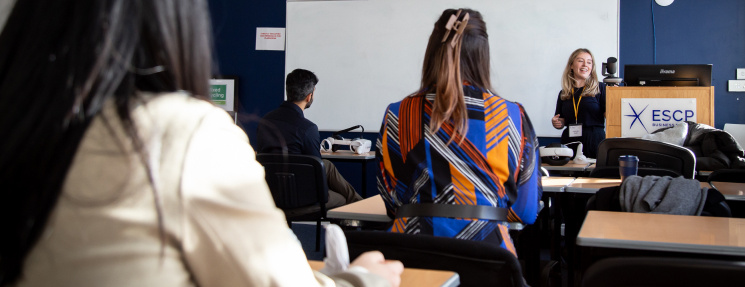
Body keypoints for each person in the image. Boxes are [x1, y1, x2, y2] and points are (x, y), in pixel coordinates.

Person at [0, 0, 402, 286]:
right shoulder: (182, 133)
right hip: (308, 206)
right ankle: (360, 213)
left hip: (280, 197)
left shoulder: (22, 133)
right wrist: (361, 279)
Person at [375, 8, 542, 256]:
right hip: (488, 259)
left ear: (432, 51)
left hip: (411, 256)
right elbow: (525, 212)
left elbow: (391, 203)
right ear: (483, 55)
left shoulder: (397, 115)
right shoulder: (512, 116)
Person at [256, 69, 363, 208]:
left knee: (327, 166)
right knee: (342, 198)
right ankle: (363, 210)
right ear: (309, 96)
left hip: (271, 196)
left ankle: (361, 205)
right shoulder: (307, 129)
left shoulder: (265, 122)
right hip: (302, 199)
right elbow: (315, 172)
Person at [551, 48, 607, 159]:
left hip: (594, 140)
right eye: (581, 60)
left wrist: (615, 99)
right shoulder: (564, 92)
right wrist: (557, 122)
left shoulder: (601, 88)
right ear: (571, 65)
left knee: (592, 175)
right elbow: (562, 120)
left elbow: (609, 117)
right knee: (568, 174)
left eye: (589, 62)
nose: (585, 64)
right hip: (570, 141)